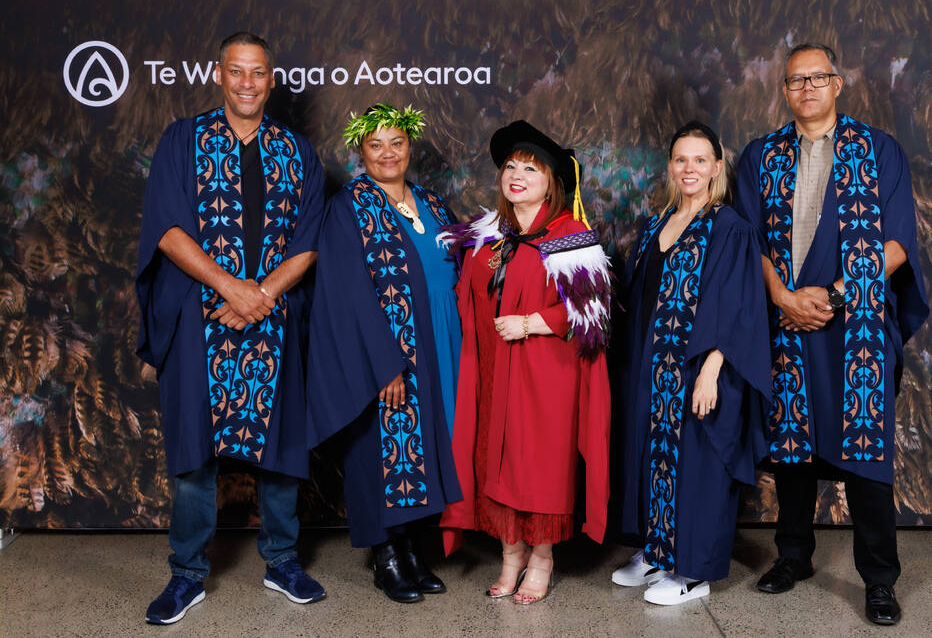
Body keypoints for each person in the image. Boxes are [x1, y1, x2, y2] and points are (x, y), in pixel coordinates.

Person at [733, 43, 929, 626]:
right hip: (787, 322)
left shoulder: (877, 151)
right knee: (791, 446)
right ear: (785, 91)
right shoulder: (761, 156)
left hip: (856, 328)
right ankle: (793, 556)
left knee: (866, 455)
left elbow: (897, 243)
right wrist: (783, 297)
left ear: (837, 84)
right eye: (796, 81)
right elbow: (749, 242)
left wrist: (835, 295)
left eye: (818, 77)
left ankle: (879, 580)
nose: (807, 88)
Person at [135, 32, 327, 624]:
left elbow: (309, 244)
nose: (247, 83)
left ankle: (283, 561)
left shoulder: (297, 152)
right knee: (194, 454)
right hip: (200, 320)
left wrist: (261, 294)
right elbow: (166, 230)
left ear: (272, 80)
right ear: (220, 75)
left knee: (281, 452)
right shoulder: (183, 140)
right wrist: (232, 288)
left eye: (258, 73)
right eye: (237, 72)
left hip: (272, 320)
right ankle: (188, 573)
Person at [437, 120, 612, 605]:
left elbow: (592, 314)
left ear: (551, 181)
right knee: (493, 459)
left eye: (529, 169)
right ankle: (509, 556)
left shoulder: (569, 235)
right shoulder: (486, 234)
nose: (516, 175)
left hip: (543, 375)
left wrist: (533, 322)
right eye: (510, 167)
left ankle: (541, 559)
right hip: (491, 370)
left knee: (537, 467)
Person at [305, 104, 462, 604]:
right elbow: (348, 292)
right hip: (388, 351)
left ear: (409, 146)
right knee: (383, 449)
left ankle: (413, 548)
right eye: (376, 145)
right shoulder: (348, 208)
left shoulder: (433, 203)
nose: (388, 153)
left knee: (427, 447)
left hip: (438, 342)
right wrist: (383, 363)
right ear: (361, 152)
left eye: (396, 142)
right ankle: (386, 556)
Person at [610, 122, 771, 605]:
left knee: (699, 468)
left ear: (717, 167)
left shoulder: (729, 228)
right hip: (653, 371)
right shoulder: (658, 223)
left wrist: (710, 372)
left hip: (700, 371)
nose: (690, 169)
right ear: (671, 166)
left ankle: (694, 571)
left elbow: (738, 305)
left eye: (700, 160)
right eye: (681, 159)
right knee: (655, 459)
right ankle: (660, 551)